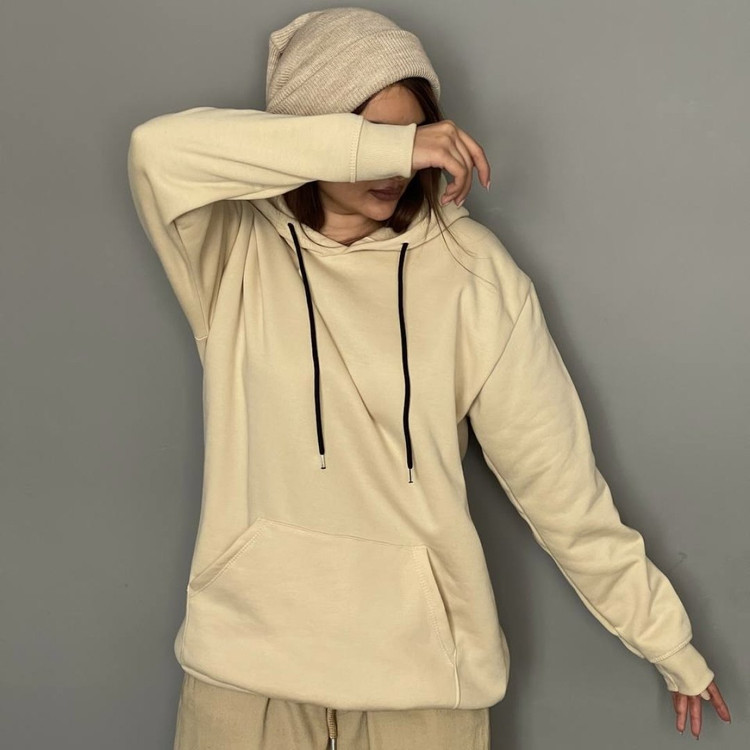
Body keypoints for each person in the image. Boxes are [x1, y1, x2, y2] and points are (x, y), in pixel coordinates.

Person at [126, 6, 731, 749]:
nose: (398, 166)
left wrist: (666, 640)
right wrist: (387, 145)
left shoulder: (472, 274)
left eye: (415, 138)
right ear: (316, 131)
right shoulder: (230, 249)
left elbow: (560, 489)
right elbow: (156, 149)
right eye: (378, 140)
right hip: (248, 668)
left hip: (423, 679)